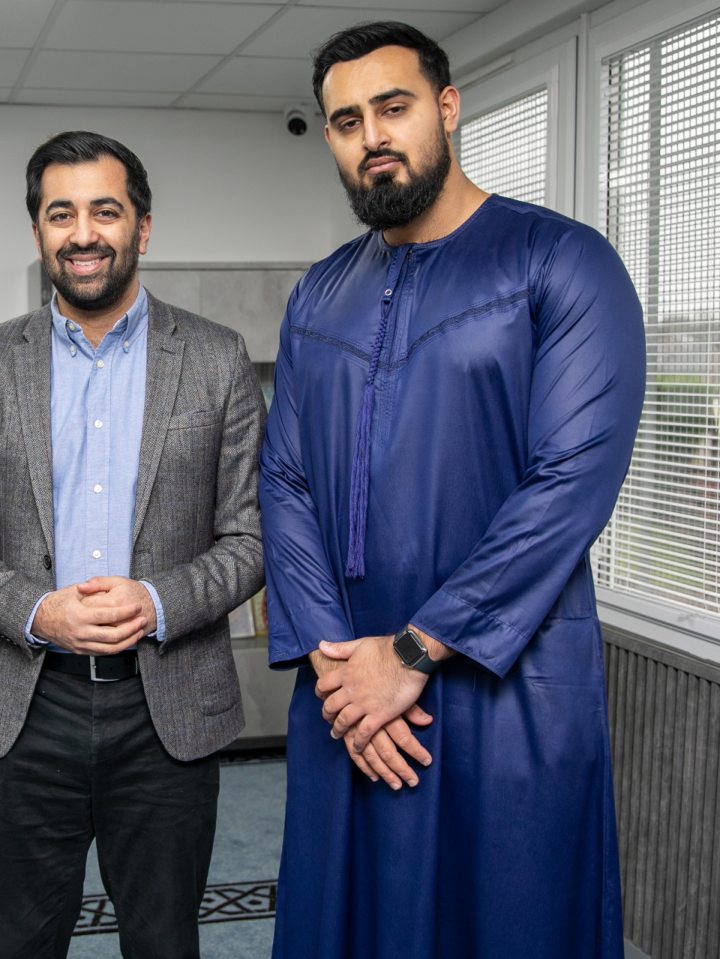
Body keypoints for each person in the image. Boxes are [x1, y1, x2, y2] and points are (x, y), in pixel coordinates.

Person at [262, 21, 645, 959]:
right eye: (345, 121)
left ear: (447, 107)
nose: (372, 136)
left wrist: (415, 651)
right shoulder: (319, 293)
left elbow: (569, 481)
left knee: (506, 922)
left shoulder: (562, 262)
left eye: (393, 107)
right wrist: (336, 665)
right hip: (348, 687)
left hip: (499, 687)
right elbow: (284, 478)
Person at [0, 131, 266, 959]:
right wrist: (36, 610)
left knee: (162, 941)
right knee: (23, 941)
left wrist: (156, 601)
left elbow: (252, 536)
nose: (84, 233)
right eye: (61, 213)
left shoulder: (218, 359)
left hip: (169, 712)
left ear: (142, 228)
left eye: (105, 211)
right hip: (26, 704)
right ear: (39, 231)